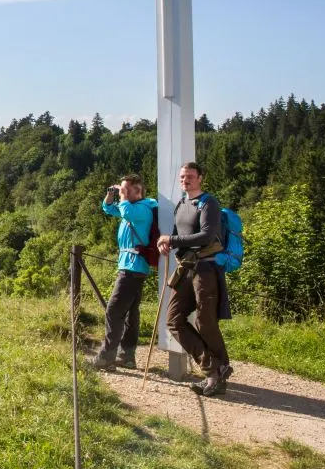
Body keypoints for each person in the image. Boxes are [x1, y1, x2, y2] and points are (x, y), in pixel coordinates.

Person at [158, 161, 233, 397]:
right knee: (174, 320)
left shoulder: (209, 203)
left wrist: (172, 240)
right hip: (187, 268)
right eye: (182, 177)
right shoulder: (182, 204)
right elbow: (179, 235)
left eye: (190, 176)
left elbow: (207, 236)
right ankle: (215, 367)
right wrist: (167, 244)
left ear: (200, 178)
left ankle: (214, 374)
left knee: (205, 321)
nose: (185, 180)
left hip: (206, 270)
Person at [91, 174, 157, 370]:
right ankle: (127, 357)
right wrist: (111, 195)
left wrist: (123, 196)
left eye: (126, 190)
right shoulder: (133, 208)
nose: (122, 193)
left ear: (138, 191)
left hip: (132, 268)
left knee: (114, 311)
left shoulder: (142, 209)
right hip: (132, 267)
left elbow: (125, 211)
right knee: (130, 315)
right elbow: (108, 208)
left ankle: (106, 357)